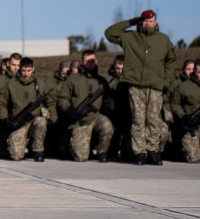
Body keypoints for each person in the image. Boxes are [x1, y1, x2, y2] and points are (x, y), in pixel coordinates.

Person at [104, 10, 176, 166]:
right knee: (138, 120)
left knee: (153, 119)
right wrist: (131, 22)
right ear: (141, 22)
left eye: (151, 21)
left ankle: (153, 151)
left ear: (155, 22)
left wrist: (166, 82)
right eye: (145, 21)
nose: (148, 24)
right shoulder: (130, 37)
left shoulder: (163, 40)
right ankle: (139, 153)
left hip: (155, 86)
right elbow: (109, 33)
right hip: (136, 85)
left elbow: (171, 61)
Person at [57, 50, 114, 162]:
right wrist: (70, 109)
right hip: (79, 120)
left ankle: (101, 152)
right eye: (88, 61)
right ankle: (69, 145)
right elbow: (62, 99)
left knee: (107, 126)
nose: (90, 64)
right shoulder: (72, 79)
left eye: (93, 61)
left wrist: (110, 102)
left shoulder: (101, 81)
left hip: (95, 116)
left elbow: (108, 97)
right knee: (81, 157)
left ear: (96, 61)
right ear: (82, 62)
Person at [0, 57, 53, 162]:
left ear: (33, 69)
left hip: (33, 123)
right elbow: (2, 103)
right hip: (18, 124)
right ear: (19, 69)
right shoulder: (11, 84)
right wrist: (5, 118)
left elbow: (50, 102)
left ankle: (38, 151)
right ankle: (23, 145)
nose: (26, 74)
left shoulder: (40, 84)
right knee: (16, 156)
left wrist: (52, 118)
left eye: (29, 70)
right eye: (23, 70)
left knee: (40, 121)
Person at [170, 66, 200, 163]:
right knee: (193, 158)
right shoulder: (184, 86)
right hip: (193, 126)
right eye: (199, 72)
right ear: (194, 72)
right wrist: (183, 116)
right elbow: (175, 104)